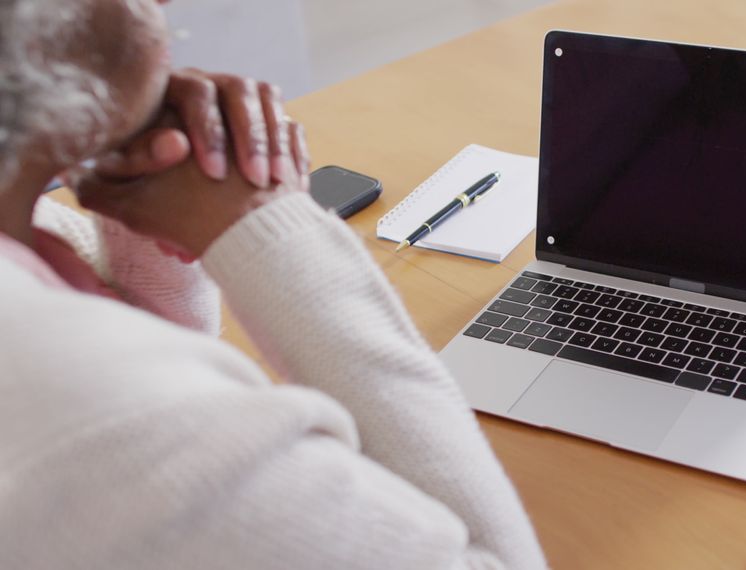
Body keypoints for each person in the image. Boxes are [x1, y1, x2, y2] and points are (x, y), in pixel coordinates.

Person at [0, 1, 548, 568]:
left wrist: (142, 192)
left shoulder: (30, 231)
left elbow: (159, 350)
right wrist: (268, 225)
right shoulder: (106, 418)